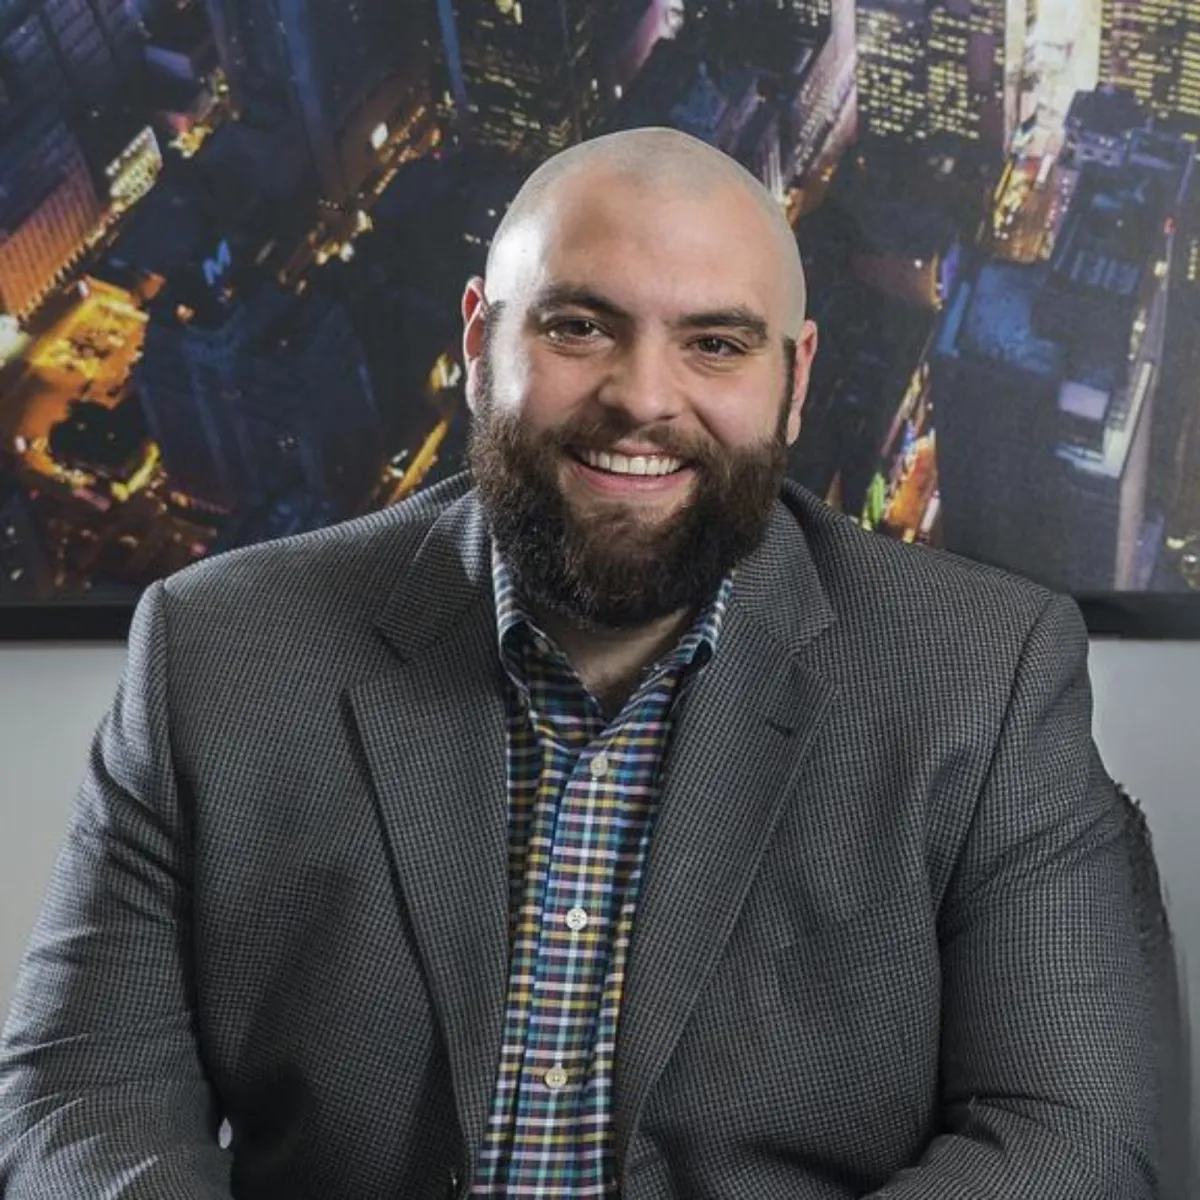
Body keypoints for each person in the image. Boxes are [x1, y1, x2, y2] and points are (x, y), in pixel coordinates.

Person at [0, 127, 1175, 1199]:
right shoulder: (219, 649)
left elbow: (1069, 1135)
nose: (642, 397)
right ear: (480, 342)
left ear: (795, 382)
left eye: (716, 344)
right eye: (577, 327)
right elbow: (80, 1102)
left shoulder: (986, 677)